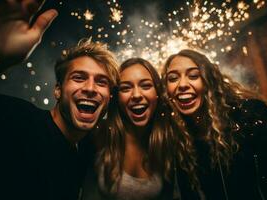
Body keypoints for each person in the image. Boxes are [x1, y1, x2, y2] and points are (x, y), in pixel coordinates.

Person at [0, 1, 119, 200]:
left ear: (110, 97)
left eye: (101, 82)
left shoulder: (87, 149)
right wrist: (0, 57)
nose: (90, 88)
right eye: (78, 78)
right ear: (58, 91)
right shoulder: (17, 121)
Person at [162, 49, 267, 200]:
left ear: (209, 81)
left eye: (194, 76)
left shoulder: (250, 114)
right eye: (173, 78)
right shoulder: (179, 140)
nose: (182, 84)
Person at [82, 58, 197, 200]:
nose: (136, 95)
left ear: (157, 93)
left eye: (146, 86)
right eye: (125, 88)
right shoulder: (97, 135)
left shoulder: (169, 140)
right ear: (116, 96)